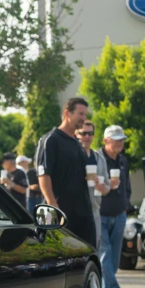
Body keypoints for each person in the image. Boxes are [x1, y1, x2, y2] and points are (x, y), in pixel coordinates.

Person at [35, 97, 96, 247]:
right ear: (67, 113)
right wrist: (53, 207)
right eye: (80, 114)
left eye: (85, 115)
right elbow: (43, 174)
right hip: (55, 211)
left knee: (88, 255)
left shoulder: (77, 143)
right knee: (52, 257)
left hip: (82, 212)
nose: (83, 118)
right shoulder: (50, 140)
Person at [76, 121, 115, 288]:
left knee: (96, 257)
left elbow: (107, 188)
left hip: (94, 212)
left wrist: (101, 185)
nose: (87, 136)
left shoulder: (99, 158)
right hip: (75, 212)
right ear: (77, 133)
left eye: (90, 133)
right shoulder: (74, 154)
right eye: (83, 133)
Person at [97, 125, 131, 288]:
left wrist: (126, 207)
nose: (120, 142)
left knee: (114, 259)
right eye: (116, 138)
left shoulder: (123, 161)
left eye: (122, 139)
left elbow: (127, 187)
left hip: (119, 214)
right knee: (104, 254)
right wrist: (107, 185)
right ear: (105, 140)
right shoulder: (96, 159)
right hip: (100, 214)